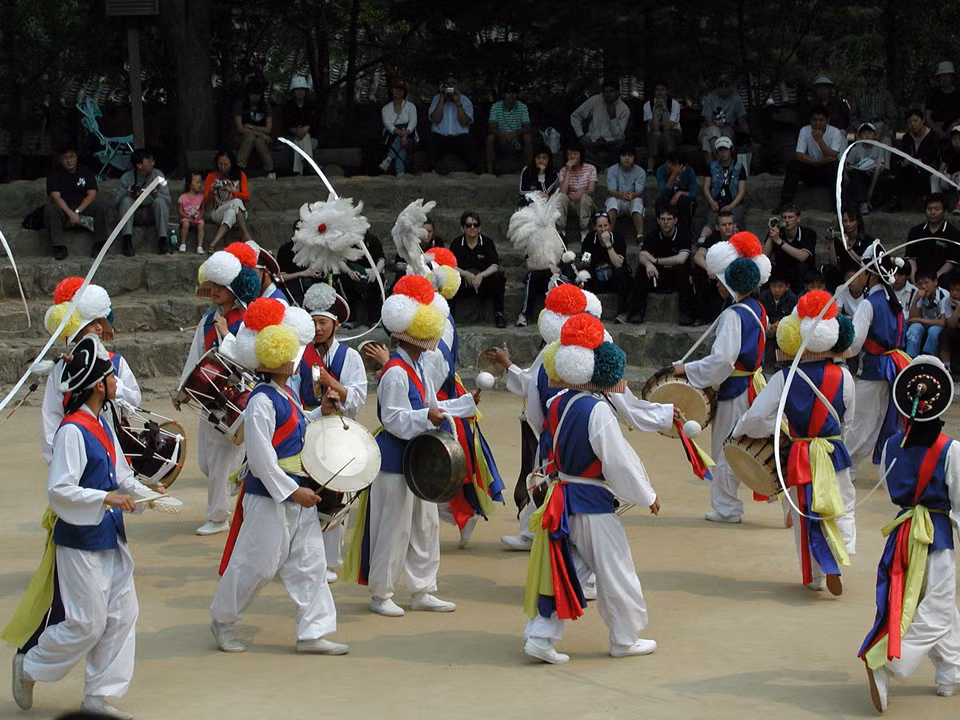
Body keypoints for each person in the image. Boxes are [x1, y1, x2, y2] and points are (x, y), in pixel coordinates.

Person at [8, 334, 160, 718]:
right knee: (86, 624)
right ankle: (29, 664)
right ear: (98, 385)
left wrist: (147, 491)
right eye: (111, 376)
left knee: (123, 614)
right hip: (80, 539)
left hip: (111, 534)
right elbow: (60, 491)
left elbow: (121, 475)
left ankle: (98, 696)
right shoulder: (72, 431)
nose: (116, 382)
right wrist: (105, 498)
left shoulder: (103, 423)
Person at [522, 312, 663, 665]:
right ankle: (625, 638)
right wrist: (647, 495)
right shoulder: (597, 411)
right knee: (617, 571)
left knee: (570, 569)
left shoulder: (558, 403)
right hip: (591, 503)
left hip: (562, 497)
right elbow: (618, 461)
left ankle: (540, 636)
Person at [210, 299, 348, 656]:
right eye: (290, 353)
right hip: (271, 495)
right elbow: (260, 459)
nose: (295, 358)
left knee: (311, 562)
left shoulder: (283, 393)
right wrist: (292, 493)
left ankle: (312, 632)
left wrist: (321, 411)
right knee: (257, 563)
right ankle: (222, 621)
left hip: (295, 490)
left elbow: (297, 428)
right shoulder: (261, 401)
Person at [343, 275, 477, 616]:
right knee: (393, 528)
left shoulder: (416, 366)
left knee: (426, 525)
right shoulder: (396, 372)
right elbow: (394, 419)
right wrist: (427, 418)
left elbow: (432, 406)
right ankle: (381, 594)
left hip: (418, 460)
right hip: (394, 462)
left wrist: (464, 404)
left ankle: (422, 589)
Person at [733, 291, 857, 593]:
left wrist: (773, 434)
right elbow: (849, 421)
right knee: (842, 500)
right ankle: (843, 550)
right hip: (833, 449)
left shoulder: (785, 377)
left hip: (800, 450)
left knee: (805, 511)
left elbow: (756, 417)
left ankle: (815, 576)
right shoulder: (844, 376)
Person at [859, 355, 960, 713]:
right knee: (936, 608)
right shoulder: (950, 449)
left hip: (903, 533)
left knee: (935, 605)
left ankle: (951, 674)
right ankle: (884, 660)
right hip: (937, 536)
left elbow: (892, 491)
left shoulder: (890, 446)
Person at [492, 284, 605, 552]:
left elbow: (533, 389)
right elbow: (532, 384)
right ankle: (532, 533)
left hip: (566, 428)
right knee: (542, 479)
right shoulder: (553, 350)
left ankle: (561, 539)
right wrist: (509, 367)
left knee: (557, 482)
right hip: (552, 428)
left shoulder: (585, 348)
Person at [674, 232, 771, 523]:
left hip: (736, 387)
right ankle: (786, 504)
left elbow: (722, 361)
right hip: (755, 384)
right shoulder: (759, 309)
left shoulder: (733, 315)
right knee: (762, 444)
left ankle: (728, 508)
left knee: (726, 447)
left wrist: (687, 371)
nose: (715, 284)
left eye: (718, 280)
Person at [177, 246, 261, 535]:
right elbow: (196, 354)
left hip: (236, 399)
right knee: (206, 463)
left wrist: (226, 334)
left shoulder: (249, 320)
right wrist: (184, 388)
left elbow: (250, 360)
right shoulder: (206, 319)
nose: (214, 290)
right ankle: (243, 472)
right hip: (209, 397)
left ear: (233, 287)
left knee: (220, 461)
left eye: (220, 286)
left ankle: (218, 516)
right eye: (212, 285)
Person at [425, 248, 504, 547]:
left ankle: (461, 514)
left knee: (439, 465)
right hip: (439, 393)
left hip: (438, 396)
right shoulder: (435, 313)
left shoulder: (438, 319)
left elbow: (437, 366)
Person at [40, 279, 141, 465]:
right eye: (92, 323)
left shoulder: (116, 362)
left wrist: (113, 385)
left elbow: (134, 402)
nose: (99, 328)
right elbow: (52, 416)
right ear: (75, 329)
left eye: (100, 321)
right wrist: (57, 460)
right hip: (78, 454)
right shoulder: (61, 370)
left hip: (116, 451)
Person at [844, 241, 911, 481]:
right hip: (891, 367)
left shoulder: (868, 304)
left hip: (875, 369)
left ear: (871, 275)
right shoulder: (896, 303)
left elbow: (852, 347)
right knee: (878, 421)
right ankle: (854, 467)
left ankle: (843, 467)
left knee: (861, 422)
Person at [630, 206, 694, 325]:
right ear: (658, 221)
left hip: (677, 277)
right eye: (662, 219)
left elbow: (681, 258)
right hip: (658, 276)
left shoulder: (683, 235)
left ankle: (686, 313)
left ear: (675, 220)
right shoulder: (653, 235)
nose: (665, 222)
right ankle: (636, 312)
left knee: (684, 269)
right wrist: (649, 263)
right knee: (641, 269)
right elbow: (642, 255)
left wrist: (656, 261)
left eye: (669, 219)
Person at [44, 144, 108, 261]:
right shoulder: (54, 174)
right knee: (51, 209)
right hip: (64, 207)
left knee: (100, 208)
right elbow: (56, 197)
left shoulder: (86, 171)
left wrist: (78, 211)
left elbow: (92, 193)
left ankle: (99, 245)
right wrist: (71, 214)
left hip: (82, 206)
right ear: (60, 159)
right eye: (65, 157)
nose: (69, 160)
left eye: (72, 156)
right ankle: (59, 247)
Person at [778, 107, 847, 208]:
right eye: (815, 120)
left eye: (821, 120)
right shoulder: (804, 131)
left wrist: (820, 141)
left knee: (836, 166)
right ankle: (785, 202)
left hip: (826, 171)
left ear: (827, 121)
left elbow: (833, 155)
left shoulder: (835, 132)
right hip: (811, 168)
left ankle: (839, 206)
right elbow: (800, 155)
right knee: (794, 164)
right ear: (810, 120)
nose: (817, 123)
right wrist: (818, 161)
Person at [449, 211, 507, 328]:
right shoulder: (456, 243)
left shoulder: (487, 242)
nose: (472, 227)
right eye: (468, 225)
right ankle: (450, 318)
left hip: (483, 282)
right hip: (463, 281)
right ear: (462, 228)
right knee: (448, 279)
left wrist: (481, 275)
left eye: (475, 225)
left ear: (479, 227)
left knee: (498, 278)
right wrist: (465, 274)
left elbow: (494, 265)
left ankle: (498, 315)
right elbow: (451, 264)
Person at [114, 148, 171, 257]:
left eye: (152, 160)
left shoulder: (159, 177)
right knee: (125, 201)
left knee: (160, 201)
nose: (152, 163)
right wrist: (127, 193)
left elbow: (167, 199)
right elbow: (117, 204)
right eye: (149, 161)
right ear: (139, 165)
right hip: (134, 214)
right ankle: (127, 241)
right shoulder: (126, 178)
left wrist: (156, 194)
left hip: (153, 213)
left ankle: (163, 240)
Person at [579, 211, 630, 323]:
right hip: (596, 278)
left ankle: (623, 312)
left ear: (610, 226)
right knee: (582, 275)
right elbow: (584, 262)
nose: (603, 229)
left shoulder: (618, 238)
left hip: (614, 278)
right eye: (600, 226)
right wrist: (586, 259)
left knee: (622, 273)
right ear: (594, 227)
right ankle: (586, 311)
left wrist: (608, 245)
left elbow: (618, 264)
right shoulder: (589, 238)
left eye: (606, 226)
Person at [570, 79, 630, 169]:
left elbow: (619, 136)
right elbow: (575, 116)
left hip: (611, 143)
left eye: (611, 91)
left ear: (617, 92)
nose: (608, 94)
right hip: (593, 141)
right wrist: (581, 135)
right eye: (606, 92)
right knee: (578, 149)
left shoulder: (624, 109)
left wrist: (613, 117)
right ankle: (603, 166)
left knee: (621, 146)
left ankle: (602, 166)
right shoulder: (595, 100)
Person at [691, 210, 738, 325]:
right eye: (723, 225)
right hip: (715, 278)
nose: (727, 227)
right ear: (717, 227)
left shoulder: (741, 238)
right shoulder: (712, 238)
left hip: (734, 278)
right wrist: (709, 268)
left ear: (735, 225)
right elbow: (698, 256)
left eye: (730, 224)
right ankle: (701, 316)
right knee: (697, 271)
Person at [892, 109, 940, 211]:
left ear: (922, 121)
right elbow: (905, 154)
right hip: (911, 167)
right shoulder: (907, 137)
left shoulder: (933, 136)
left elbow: (933, 156)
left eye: (915, 121)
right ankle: (897, 201)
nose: (913, 124)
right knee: (901, 170)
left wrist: (919, 161)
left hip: (927, 167)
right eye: (910, 122)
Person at [335, 230, 385, 327]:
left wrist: (375, 273)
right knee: (344, 281)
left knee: (378, 283)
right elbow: (340, 261)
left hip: (371, 272)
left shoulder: (373, 240)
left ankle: (374, 319)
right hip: (353, 272)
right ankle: (351, 318)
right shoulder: (346, 242)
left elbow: (381, 260)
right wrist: (349, 272)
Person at [203, 151, 252, 250]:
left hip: (240, 213)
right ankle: (246, 236)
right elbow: (205, 201)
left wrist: (233, 191)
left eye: (226, 164)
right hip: (218, 211)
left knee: (232, 210)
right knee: (236, 202)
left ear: (232, 164)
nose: (223, 167)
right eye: (220, 164)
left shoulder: (240, 175)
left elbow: (247, 197)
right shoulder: (211, 176)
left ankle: (213, 243)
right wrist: (211, 191)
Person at [427, 73, 476, 173]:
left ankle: (473, 172)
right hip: (440, 136)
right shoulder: (436, 99)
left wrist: (458, 102)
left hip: (460, 137)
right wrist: (441, 99)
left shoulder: (465, 100)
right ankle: (429, 172)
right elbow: (436, 119)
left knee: (469, 142)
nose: (450, 87)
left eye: (453, 84)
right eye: (448, 84)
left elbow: (464, 122)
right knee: (432, 141)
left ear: (458, 85)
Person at [698, 73, 750, 167]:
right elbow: (708, 121)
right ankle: (721, 163)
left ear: (731, 86)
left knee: (706, 142)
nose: (723, 88)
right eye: (720, 85)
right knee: (713, 130)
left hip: (727, 129)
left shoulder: (736, 99)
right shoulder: (710, 98)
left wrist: (749, 135)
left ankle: (713, 170)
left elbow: (742, 120)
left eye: (726, 85)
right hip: (709, 128)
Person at [763, 206, 817, 294]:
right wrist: (771, 234)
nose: (787, 220)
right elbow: (764, 256)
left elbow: (802, 256)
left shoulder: (808, 233)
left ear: (798, 219)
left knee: (801, 267)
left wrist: (779, 241)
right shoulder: (777, 233)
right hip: (782, 270)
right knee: (766, 268)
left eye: (790, 217)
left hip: (802, 272)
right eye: (784, 217)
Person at [701, 136, 747, 239]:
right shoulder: (711, 166)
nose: (723, 153)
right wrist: (711, 201)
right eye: (720, 150)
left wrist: (731, 205)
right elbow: (706, 187)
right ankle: (702, 239)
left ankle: (734, 242)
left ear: (731, 150)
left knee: (735, 220)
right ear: (717, 152)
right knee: (711, 220)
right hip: (716, 202)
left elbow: (742, 190)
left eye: (725, 149)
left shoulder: (739, 167)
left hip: (733, 203)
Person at [906, 192, 960, 279]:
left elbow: (951, 263)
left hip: (942, 282)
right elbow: (911, 259)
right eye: (929, 208)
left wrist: (932, 280)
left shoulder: (953, 233)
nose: (932, 212)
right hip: (917, 281)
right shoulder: (915, 232)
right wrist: (915, 280)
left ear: (945, 211)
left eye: (937, 209)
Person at [850, 65, 898, 158]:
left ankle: (884, 169)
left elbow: (892, 116)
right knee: (859, 143)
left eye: (874, 76)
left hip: (881, 125)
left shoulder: (886, 95)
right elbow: (852, 115)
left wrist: (883, 132)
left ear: (878, 78)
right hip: (863, 126)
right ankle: (862, 169)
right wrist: (859, 130)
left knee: (886, 142)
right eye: (869, 75)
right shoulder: (858, 94)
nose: (871, 78)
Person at [822, 204, 873, 291]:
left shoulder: (867, 240)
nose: (848, 224)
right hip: (843, 274)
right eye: (845, 221)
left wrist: (848, 247)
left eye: (851, 220)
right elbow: (833, 263)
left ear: (858, 221)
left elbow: (864, 262)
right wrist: (831, 241)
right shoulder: (839, 239)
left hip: (859, 273)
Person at [486, 82, 533, 175]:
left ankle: (528, 171)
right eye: (508, 93)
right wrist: (504, 135)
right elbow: (491, 128)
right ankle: (489, 172)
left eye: (514, 93)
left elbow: (527, 127)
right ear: (504, 94)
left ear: (517, 94)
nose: (511, 95)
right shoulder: (496, 106)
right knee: (490, 138)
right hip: (501, 137)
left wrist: (515, 133)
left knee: (528, 138)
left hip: (517, 136)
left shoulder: (522, 107)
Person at [556, 141, 597, 241]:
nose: (572, 156)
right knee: (560, 197)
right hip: (570, 203)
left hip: (585, 202)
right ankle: (561, 229)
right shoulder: (563, 170)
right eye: (569, 154)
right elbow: (563, 191)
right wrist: (568, 170)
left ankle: (584, 229)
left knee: (585, 198)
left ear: (580, 154)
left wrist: (582, 193)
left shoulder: (590, 169)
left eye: (575, 153)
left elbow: (591, 190)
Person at [844, 123, 888, 215]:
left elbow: (879, 166)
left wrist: (870, 190)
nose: (867, 135)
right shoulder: (855, 149)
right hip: (859, 175)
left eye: (870, 133)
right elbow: (848, 167)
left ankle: (872, 201)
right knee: (857, 175)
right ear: (860, 136)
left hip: (873, 175)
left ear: (874, 135)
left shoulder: (878, 148)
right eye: (864, 133)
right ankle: (863, 203)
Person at [233, 81, 275, 178]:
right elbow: (240, 128)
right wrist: (260, 133)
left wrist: (251, 127)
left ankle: (270, 170)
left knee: (259, 141)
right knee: (250, 138)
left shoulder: (266, 107)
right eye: (252, 94)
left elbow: (268, 129)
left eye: (257, 94)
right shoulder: (240, 106)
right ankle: (240, 169)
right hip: (243, 138)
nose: (255, 97)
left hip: (263, 139)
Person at [605, 144, 646, 239]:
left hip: (633, 198)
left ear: (634, 158)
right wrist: (620, 194)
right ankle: (608, 234)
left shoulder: (640, 171)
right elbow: (611, 190)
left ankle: (640, 236)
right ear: (619, 157)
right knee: (612, 201)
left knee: (637, 203)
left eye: (630, 156)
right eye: (624, 156)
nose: (627, 159)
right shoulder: (612, 170)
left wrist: (633, 195)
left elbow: (639, 191)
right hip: (617, 198)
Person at [905, 268, 948, 357]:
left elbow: (942, 322)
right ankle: (909, 359)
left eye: (926, 282)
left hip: (937, 326)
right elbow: (912, 319)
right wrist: (915, 300)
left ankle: (927, 360)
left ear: (935, 282)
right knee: (914, 328)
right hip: (924, 324)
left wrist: (921, 320)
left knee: (933, 331)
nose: (923, 286)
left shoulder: (943, 295)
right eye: (920, 284)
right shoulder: (919, 294)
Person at [380, 77, 418, 176]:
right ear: (392, 90)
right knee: (400, 146)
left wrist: (405, 134)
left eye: (401, 89)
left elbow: (413, 121)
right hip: (392, 136)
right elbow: (387, 124)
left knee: (403, 142)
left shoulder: (411, 106)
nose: (398, 91)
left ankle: (388, 158)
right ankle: (400, 172)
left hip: (409, 135)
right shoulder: (385, 109)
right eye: (396, 88)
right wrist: (399, 133)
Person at [642, 79, 682, 171]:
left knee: (666, 134)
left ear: (667, 91)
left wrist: (664, 108)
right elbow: (655, 128)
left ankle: (672, 166)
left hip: (674, 132)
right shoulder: (648, 105)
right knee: (656, 134)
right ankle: (650, 169)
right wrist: (655, 110)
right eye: (657, 89)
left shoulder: (674, 104)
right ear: (654, 92)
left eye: (662, 89)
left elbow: (668, 127)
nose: (660, 92)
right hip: (654, 133)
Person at [392, 218, 444, 287]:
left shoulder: (438, 242)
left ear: (433, 232)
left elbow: (443, 263)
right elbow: (399, 265)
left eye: (429, 231)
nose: (426, 234)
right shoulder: (408, 242)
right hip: (410, 279)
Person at [654, 152, 697, 229]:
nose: (668, 165)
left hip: (683, 198)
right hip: (668, 196)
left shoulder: (689, 171)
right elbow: (664, 192)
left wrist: (680, 193)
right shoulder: (661, 170)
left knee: (684, 202)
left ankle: (685, 231)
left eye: (672, 164)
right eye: (668, 162)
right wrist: (673, 175)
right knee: (660, 202)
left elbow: (693, 193)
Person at [283, 76, 316, 176]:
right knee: (299, 139)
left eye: (302, 90)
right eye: (297, 90)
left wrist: (305, 130)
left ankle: (298, 171)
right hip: (292, 137)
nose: (300, 92)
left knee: (304, 138)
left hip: (310, 138)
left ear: (305, 91)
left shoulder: (311, 105)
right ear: (293, 91)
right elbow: (286, 124)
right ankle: (310, 163)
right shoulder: (288, 106)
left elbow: (314, 123)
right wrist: (296, 131)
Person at [758, 269, 797, 341]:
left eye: (780, 286)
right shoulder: (763, 297)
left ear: (787, 287)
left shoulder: (793, 299)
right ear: (769, 285)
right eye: (773, 286)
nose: (776, 290)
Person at [925, 61, 960, 138]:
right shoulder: (933, 95)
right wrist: (935, 129)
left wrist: (955, 125)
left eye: (947, 75)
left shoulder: (958, 94)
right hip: (936, 132)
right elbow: (928, 116)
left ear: (952, 77)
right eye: (942, 76)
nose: (945, 78)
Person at [178, 171, 206, 254]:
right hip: (187, 217)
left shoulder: (201, 197)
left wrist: (200, 216)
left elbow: (203, 210)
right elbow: (180, 210)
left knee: (201, 224)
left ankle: (200, 246)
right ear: (190, 184)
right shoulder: (183, 197)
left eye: (200, 182)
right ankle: (183, 244)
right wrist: (186, 216)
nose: (199, 185)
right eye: (197, 182)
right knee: (185, 224)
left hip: (197, 218)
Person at [935, 126, 960, 212]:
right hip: (949, 177)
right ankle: (937, 203)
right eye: (954, 139)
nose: (956, 142)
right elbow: (941, 168)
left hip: (958, 177)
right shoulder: (948, 152)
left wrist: (956, 174)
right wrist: (942, 177)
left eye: (959, 139)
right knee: (934, 177)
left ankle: (959, 205)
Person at [940, 273, 960, 374]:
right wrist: (958, 308)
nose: (954, 293)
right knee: (945, 333)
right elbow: (951, 325)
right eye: (952, 290)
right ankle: (946, 368)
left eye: (958, 290)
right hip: (955, 331)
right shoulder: (947, 301)